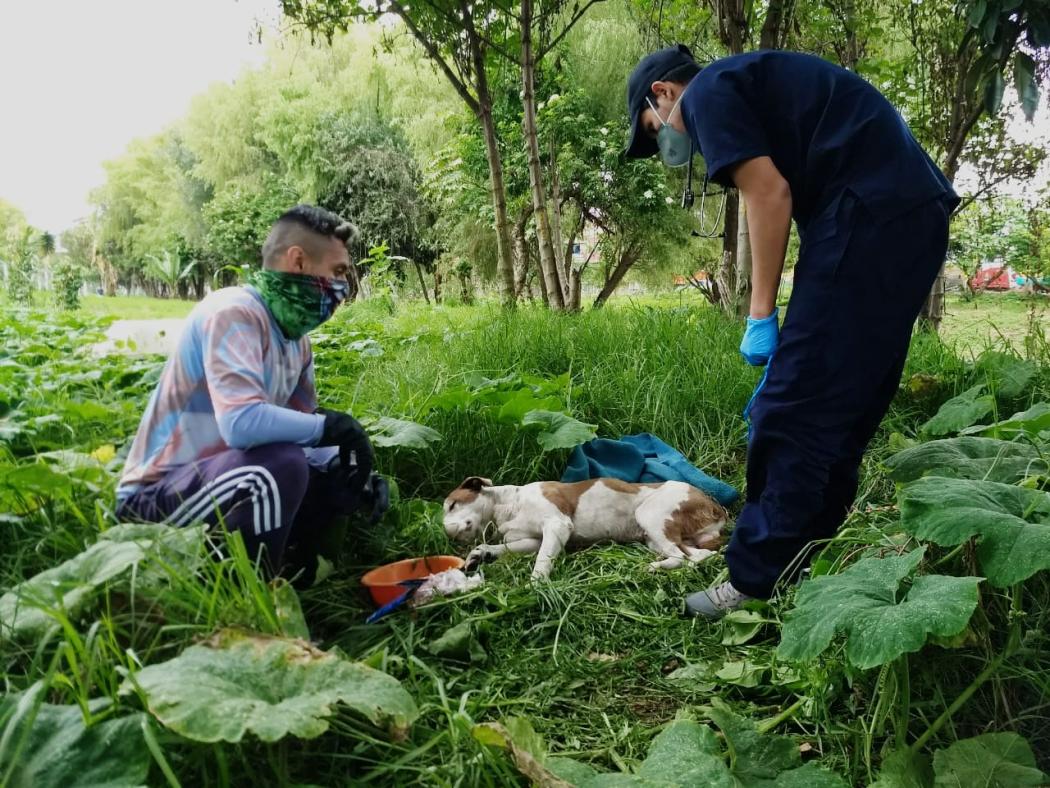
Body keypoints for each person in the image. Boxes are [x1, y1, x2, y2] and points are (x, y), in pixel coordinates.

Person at [623, 46, 959, 618]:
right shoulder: (752, 82)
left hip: (866, 214)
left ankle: (754, 580)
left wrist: (760, 316)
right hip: (905, 214)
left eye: (654, 133)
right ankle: (800, 561)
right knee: (843, 403)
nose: (665, 144)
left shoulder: (707, 93)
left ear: (662, 93)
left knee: (789, 408)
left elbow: (768, 193)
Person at [116, 205, 388, 583]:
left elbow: (303, 433)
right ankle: (251, 600)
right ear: (298, 261)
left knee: (318, 470)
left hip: (220, 479)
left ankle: (289, 566)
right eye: (338, 272)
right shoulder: (233, 312)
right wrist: (333, 428)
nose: (344, 288)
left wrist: (351, 469)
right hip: (154, 498)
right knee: (281, 466)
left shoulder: (297, 342)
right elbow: (241, 423)